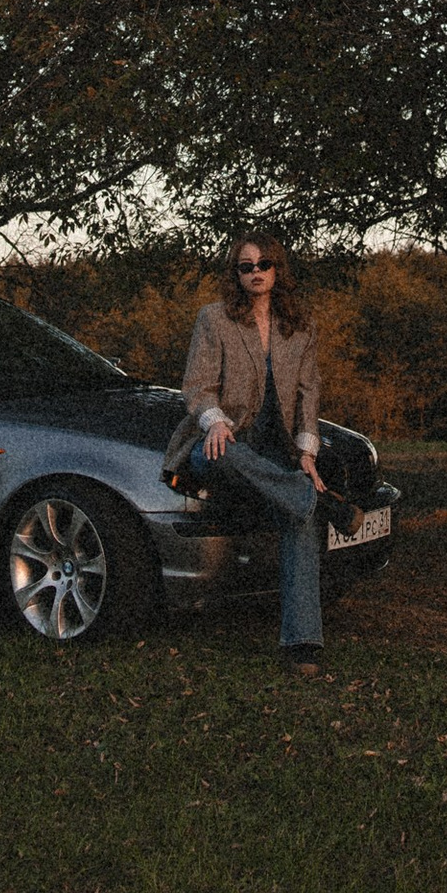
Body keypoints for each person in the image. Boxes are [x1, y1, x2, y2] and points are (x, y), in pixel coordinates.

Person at [171, 229, 329, 664]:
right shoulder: (214, 319)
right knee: (240, 457)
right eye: (246, 267)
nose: (256, 273)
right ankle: (303, 494)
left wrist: (306, 454)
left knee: (298, 513)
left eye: (264, 265)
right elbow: (197, 387)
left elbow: (308, 394)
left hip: (274, 454)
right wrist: (216, 422)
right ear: (236, 274)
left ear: (278, 269)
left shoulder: (300, 325)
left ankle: (302, 642)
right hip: (220, 446)